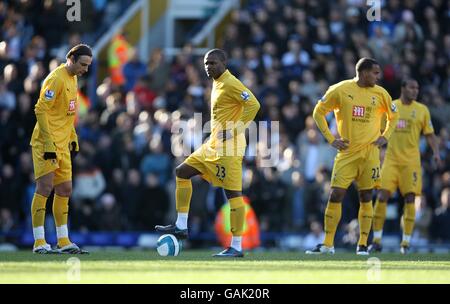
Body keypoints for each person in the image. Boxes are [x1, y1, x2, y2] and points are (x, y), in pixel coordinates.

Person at [155, 48, 260, 257]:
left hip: (229, 149)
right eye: (205, 63)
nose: (208, 67)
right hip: (212, 144)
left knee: (233, 194)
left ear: (224, 63)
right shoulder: (217, 82)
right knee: (182, 172)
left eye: (212, 63)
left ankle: (237, 246)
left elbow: (254, 104)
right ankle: (181, 226)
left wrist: (235, 129)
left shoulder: (231, 83)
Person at [305, 57, 399, 255]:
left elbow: (394, 116)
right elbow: (318, 112)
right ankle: (328, 244)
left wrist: (385, 137)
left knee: (366, 197)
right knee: (335, 194)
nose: (378, 76)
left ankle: (363, 244)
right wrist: (331, 139)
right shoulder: (340, 89)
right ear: (363, 73)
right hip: (347, 153)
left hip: (371, 154)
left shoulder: (381, 93)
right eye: (375, 72)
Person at [29, 44, 93, 254]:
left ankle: (63, 241)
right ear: (71, 59)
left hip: (63, 143)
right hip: (46, 143)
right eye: (83, 64)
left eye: (88, 65)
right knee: (44, 188)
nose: (85, 69)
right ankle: (39, 242)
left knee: (65, 189)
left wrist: (73, 136)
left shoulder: (74, 78)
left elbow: (68, 112)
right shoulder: (56, 78)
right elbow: (40, 109)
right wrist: (48, 142)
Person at [370, 79, 441, 254]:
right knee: (382, 196)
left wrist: (436, 152)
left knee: (410, 199)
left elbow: (430, 135)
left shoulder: (422, 110)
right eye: (411, 87)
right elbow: (377, 129)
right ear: (403, 88)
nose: (415, 90)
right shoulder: (391, 107)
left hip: (411, 163)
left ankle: (406, 243)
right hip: (391, 161)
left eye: (417, 88)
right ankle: (377, 239)